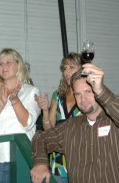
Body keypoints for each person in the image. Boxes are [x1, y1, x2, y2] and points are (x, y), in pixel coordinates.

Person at [30, 63, 119, 183]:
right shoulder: (70, 127)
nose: (82, 99)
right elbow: (40, 138)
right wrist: (40, 162)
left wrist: (103, 92)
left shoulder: (118, 122)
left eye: (88, 92)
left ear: (98, 90)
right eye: (78, 94)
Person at [0, 48, 41, 183]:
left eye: (8, 62)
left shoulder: (31, 91)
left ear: (19, 66)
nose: (4, 66)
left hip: (21, 157)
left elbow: (28, 122)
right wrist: (0, 106)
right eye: (1, 63)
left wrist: (15, 100)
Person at [34, 52, 82, 183]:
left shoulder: (87, 95)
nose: (67, 72)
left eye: (72, 67)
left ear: (82, 69)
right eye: (65, 68)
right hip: (59, 163)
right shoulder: (58, 95)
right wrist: (44, 110)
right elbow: (49, 129)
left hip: (81, 160)